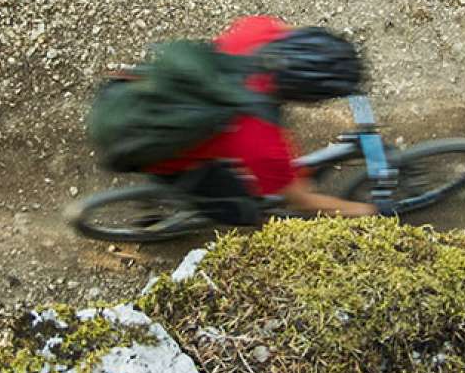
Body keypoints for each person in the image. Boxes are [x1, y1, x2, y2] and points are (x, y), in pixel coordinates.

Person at [147, 16, 385, 223]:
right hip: (169, 158)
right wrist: (369, 210)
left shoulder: (260, 29)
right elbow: (302, 201)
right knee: (247, 212)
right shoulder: (258, 135)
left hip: (163, 91)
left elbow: (290, 33)